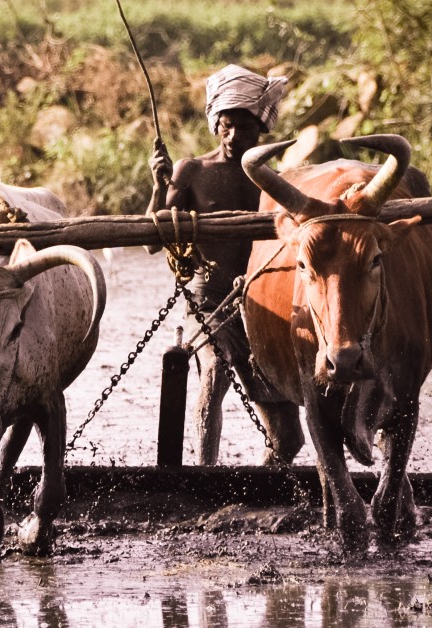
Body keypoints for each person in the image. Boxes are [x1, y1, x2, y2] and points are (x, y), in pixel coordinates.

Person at [146, 64, 303, 466]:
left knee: (289, 436)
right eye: (227, 126)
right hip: (207, 297)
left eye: (245, 129)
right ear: (216, 125)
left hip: (259, 300)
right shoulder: (192, 171)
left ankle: (267, 482)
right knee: (215, 369)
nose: (235, 137)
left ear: (260, 131)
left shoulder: (271, 180)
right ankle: (205, 475)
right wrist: (159, 186)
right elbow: (152, 239)